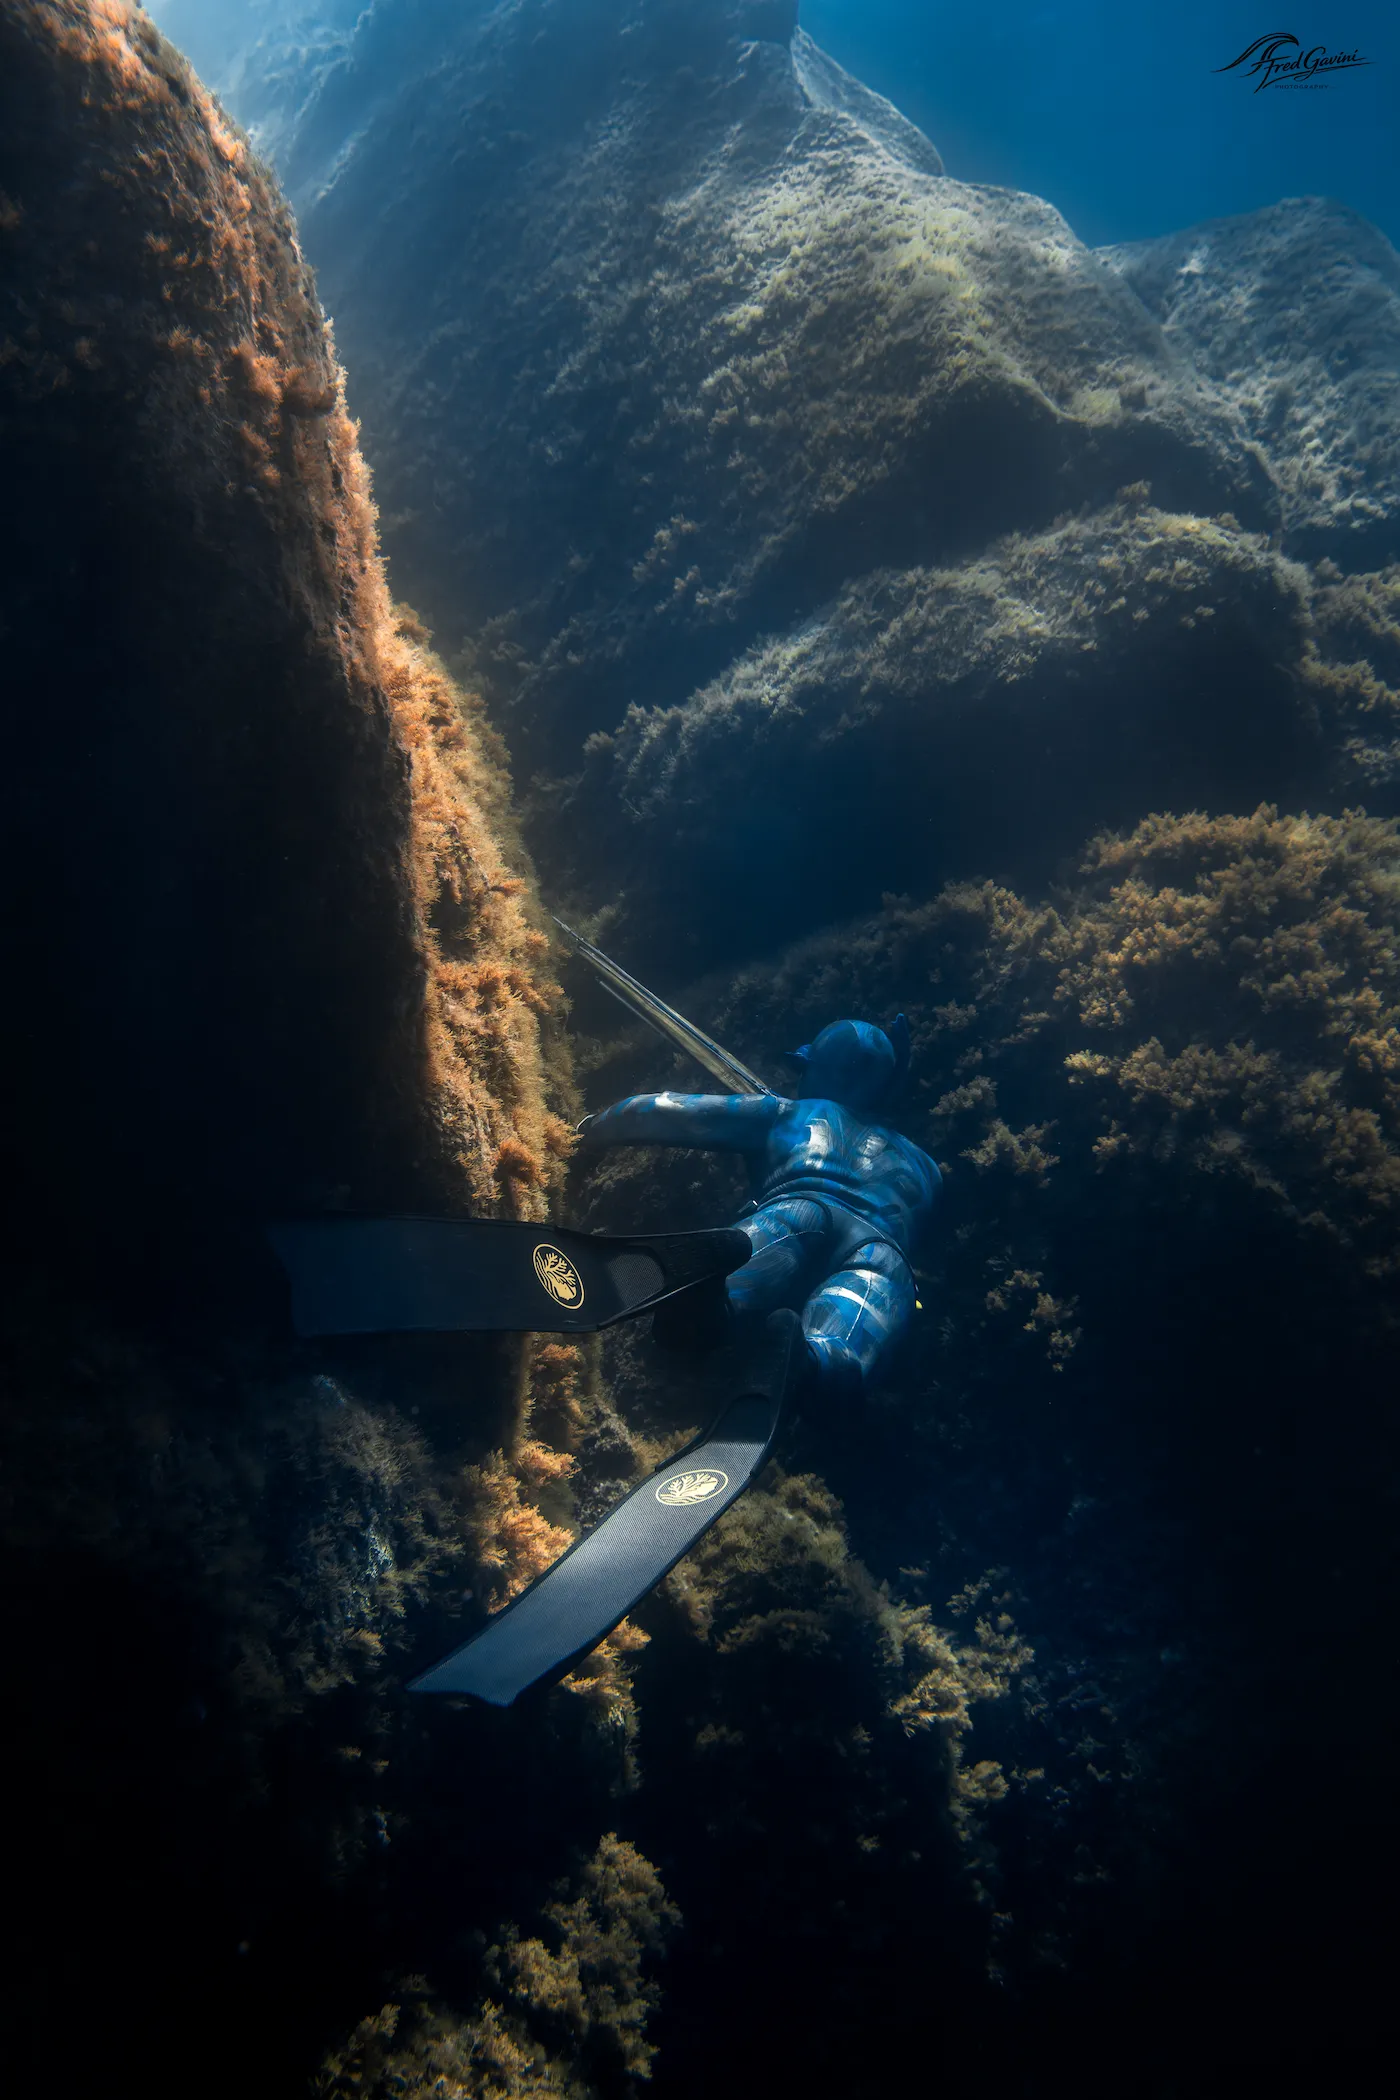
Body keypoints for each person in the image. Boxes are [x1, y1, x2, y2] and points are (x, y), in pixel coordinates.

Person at [577, 1017, 940, 1401]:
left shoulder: (788, 1113)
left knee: (718, 1299)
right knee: (841, 1352)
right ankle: (811, 1362)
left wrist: (592, 1129)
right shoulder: (927, 1168)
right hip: (882, 1251)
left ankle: (710, 1291)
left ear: (816, 1070)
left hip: (799, 1213)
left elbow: (662, 1111)